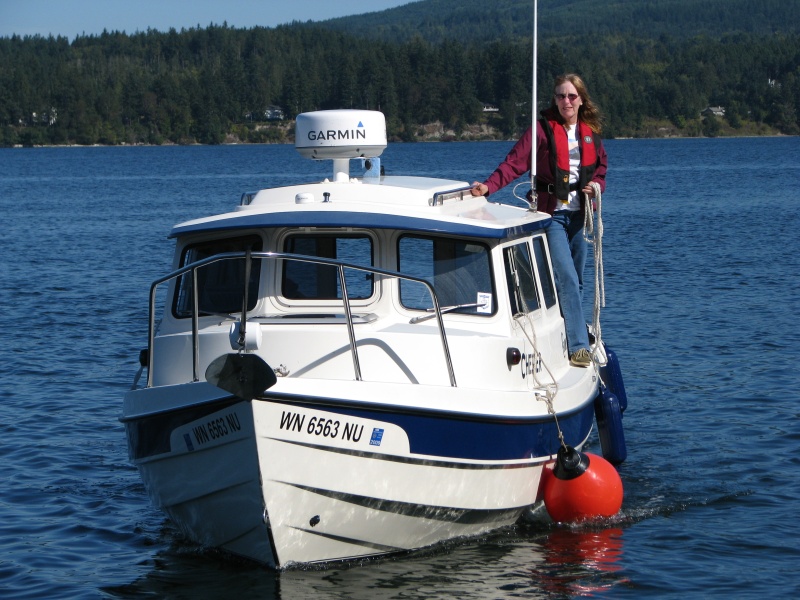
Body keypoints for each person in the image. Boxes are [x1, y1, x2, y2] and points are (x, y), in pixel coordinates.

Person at [471, 73, 607, 367]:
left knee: (577, 280)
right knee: (567, 278)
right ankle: (578, 346)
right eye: (560, 96)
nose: (566, 101)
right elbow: (515, 162)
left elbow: (601, 168)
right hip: (553, 214)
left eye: (571, 96)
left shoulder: (590, 132)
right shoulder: (543, 130)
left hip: (580, 215)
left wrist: (596, 186)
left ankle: (564, 330)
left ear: (581, 99)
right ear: (554, 100)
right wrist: (488, 186)